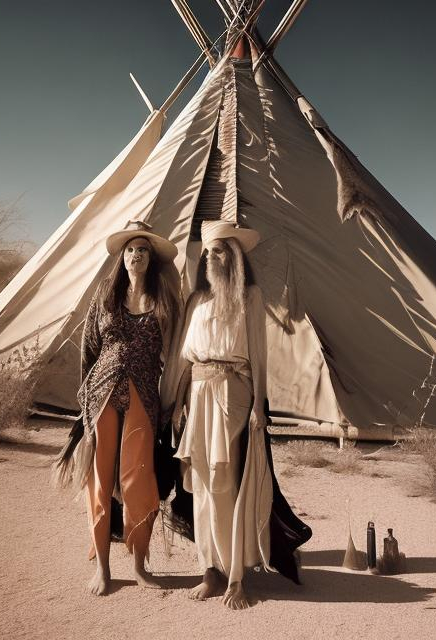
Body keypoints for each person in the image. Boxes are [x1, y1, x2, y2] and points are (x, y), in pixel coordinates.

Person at [164, 220, 310, 610]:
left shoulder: (250, 296)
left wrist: (260, 407)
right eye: (209, 252)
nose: (213, 257)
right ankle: (208, 570)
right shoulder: (197, 301)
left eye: (221, 251)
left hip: (234, 394)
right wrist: (177, 402)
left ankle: (236, 577)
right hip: (198, 395)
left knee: (229, 485)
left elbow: (259, 357)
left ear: (235, 257)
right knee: (201, 484)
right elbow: (183, 357)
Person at [54, 220, 180, 596]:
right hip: (102, 393)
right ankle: (104, 568)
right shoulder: (105, 296)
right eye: (130, 250)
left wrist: (171, 403)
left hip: (144, 394)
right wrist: (84, 400)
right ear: (122, 258)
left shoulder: (164, 299)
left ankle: (140, 563)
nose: (135, 255)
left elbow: (172, 353)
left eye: (142, 249)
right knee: (99, 479)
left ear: (151, 258)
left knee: (138, 478)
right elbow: (88, 348)